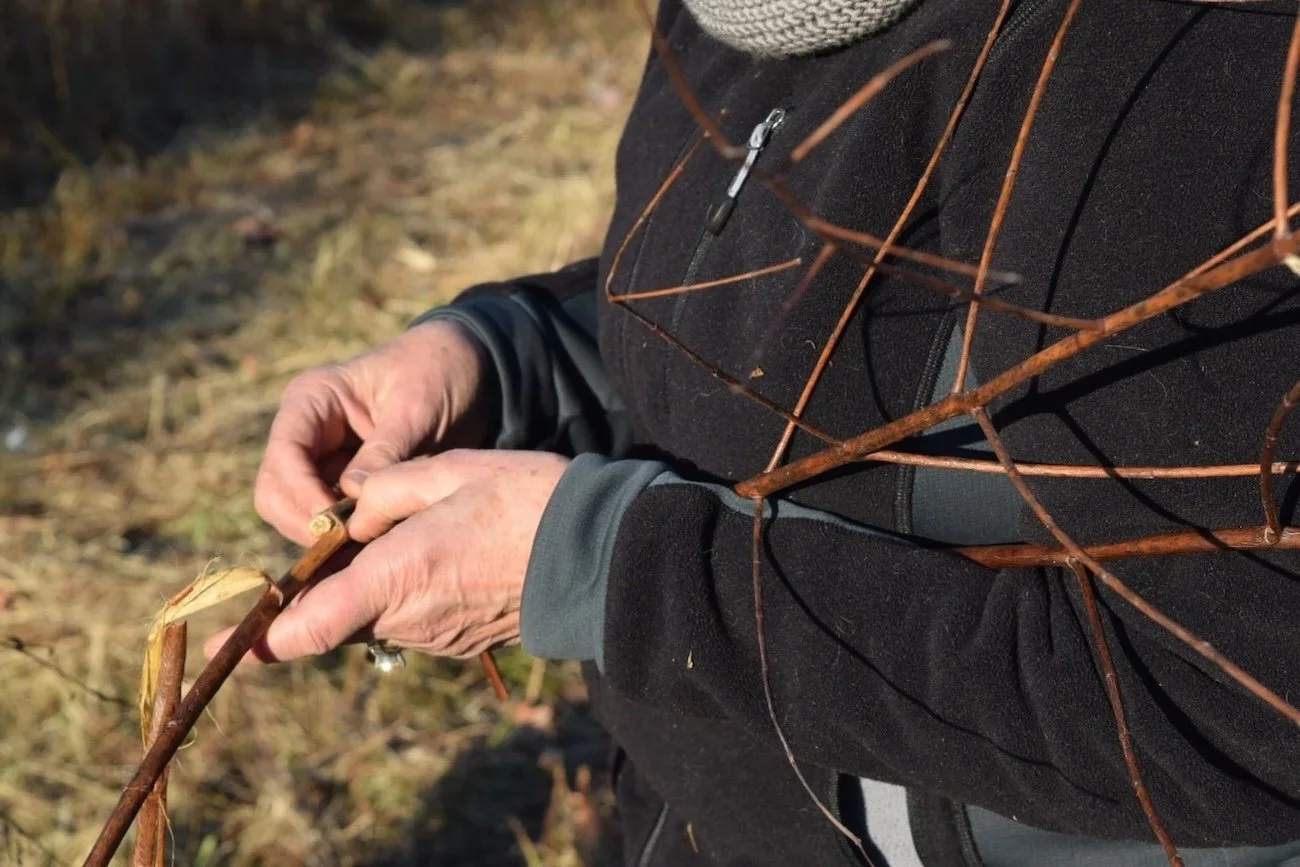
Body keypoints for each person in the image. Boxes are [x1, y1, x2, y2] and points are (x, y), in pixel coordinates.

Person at [207, 0, 1300, 864]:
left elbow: (1241, 708)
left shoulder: (1197, 53)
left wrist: (612, 574)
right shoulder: (738, 15)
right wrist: (508, 357)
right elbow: (791, 325)